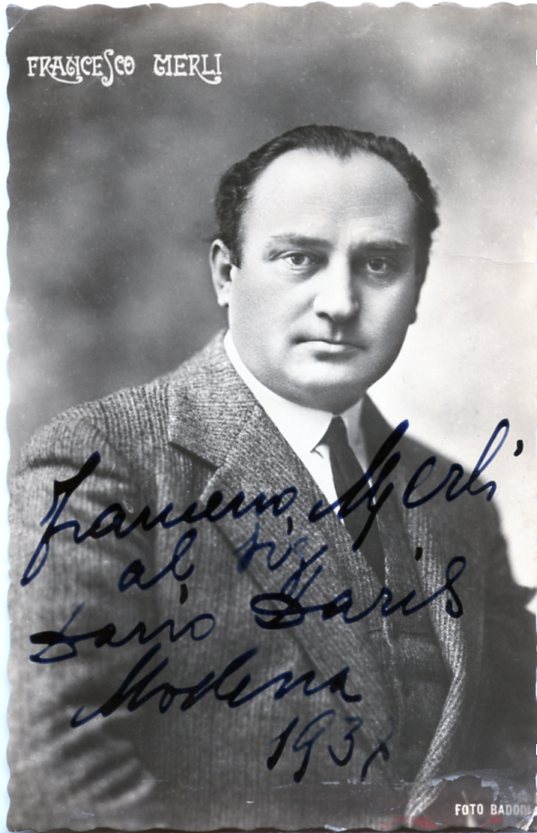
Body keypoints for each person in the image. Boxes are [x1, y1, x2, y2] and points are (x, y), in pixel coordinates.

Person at [8, 125, 535, 832]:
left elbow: (516, 766)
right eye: (299, 258)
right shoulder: (104, 461)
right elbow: (62, 786)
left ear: (416, 290)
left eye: (379, 263)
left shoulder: (456, 499)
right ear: (226, 274)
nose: (340, 302)